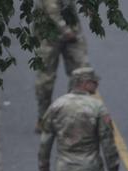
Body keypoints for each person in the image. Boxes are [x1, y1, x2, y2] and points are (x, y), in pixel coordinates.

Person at [33, 0, 89, 130]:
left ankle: (75, 115)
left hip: (72, 33)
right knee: (45, 80)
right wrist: (66, 31)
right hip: (48, 35)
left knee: (81, 72)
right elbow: (52, 10)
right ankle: (43, 117)